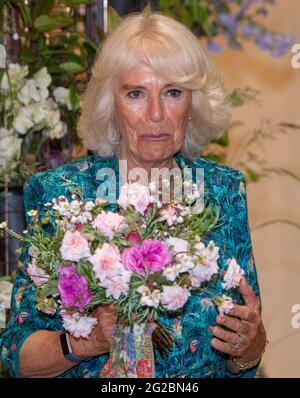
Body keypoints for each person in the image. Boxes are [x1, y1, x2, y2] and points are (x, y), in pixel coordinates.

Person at [0, 12, 267, 378]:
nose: (156, 114)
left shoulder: (223, 190)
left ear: (193, 106)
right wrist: (87, 342)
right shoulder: (63, 194)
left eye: (172, 92)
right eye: (136, 93)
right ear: (112, 105)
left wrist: (249, 349)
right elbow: (17, 355)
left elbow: (243, 357)